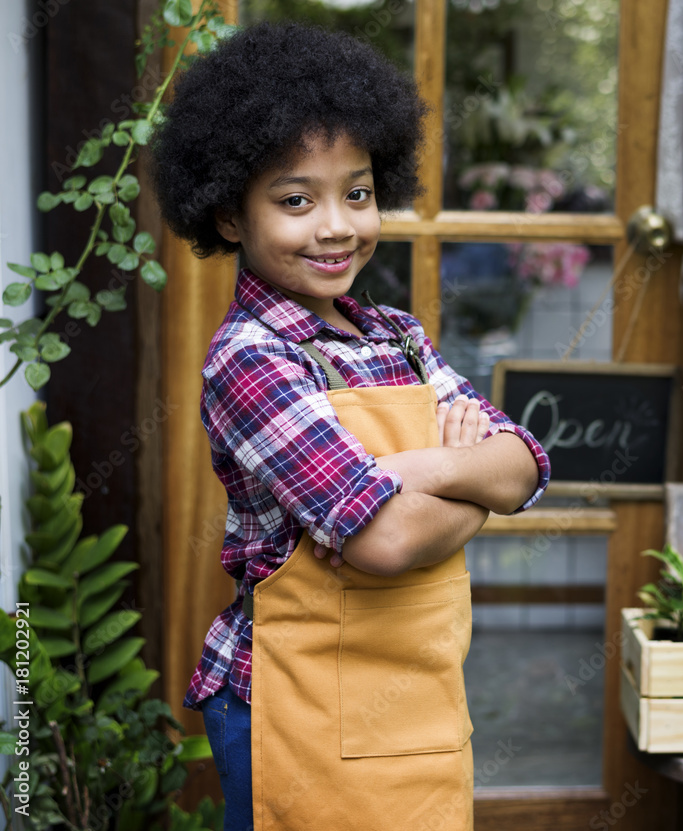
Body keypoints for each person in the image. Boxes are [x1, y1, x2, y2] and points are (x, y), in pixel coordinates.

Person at [150, 21, 550, 831]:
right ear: (230, 215)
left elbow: (524, 468)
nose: (336, 225)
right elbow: (384, 542)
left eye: (357, 192)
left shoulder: (397, 334)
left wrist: (419, 473)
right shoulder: (251, 359)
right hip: (292, 700)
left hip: (415, 694)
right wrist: (454, 461)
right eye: (296, 199)